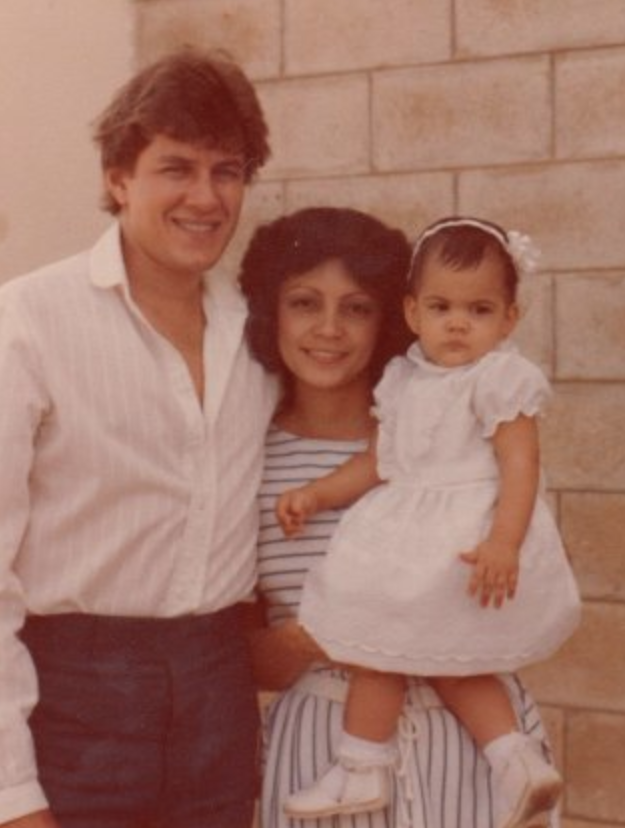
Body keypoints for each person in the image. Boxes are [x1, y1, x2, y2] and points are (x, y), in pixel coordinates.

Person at [0, 49, 277, 828]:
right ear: (118, 177)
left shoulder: (258, 335)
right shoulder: (27, 323)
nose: (205, 197)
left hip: (219, 704)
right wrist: (12, 795)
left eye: (227, 172)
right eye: (176, 168)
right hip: (70, 706)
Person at [239, 208, 565, 828]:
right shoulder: (244, 458)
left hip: (469, 747)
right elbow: (241, 656)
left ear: (391, 316)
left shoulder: (457, 436)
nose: (329, 329)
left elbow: (518, 573)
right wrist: (328, 628)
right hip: (327, 748)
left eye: (357, 308)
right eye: (304, 303)